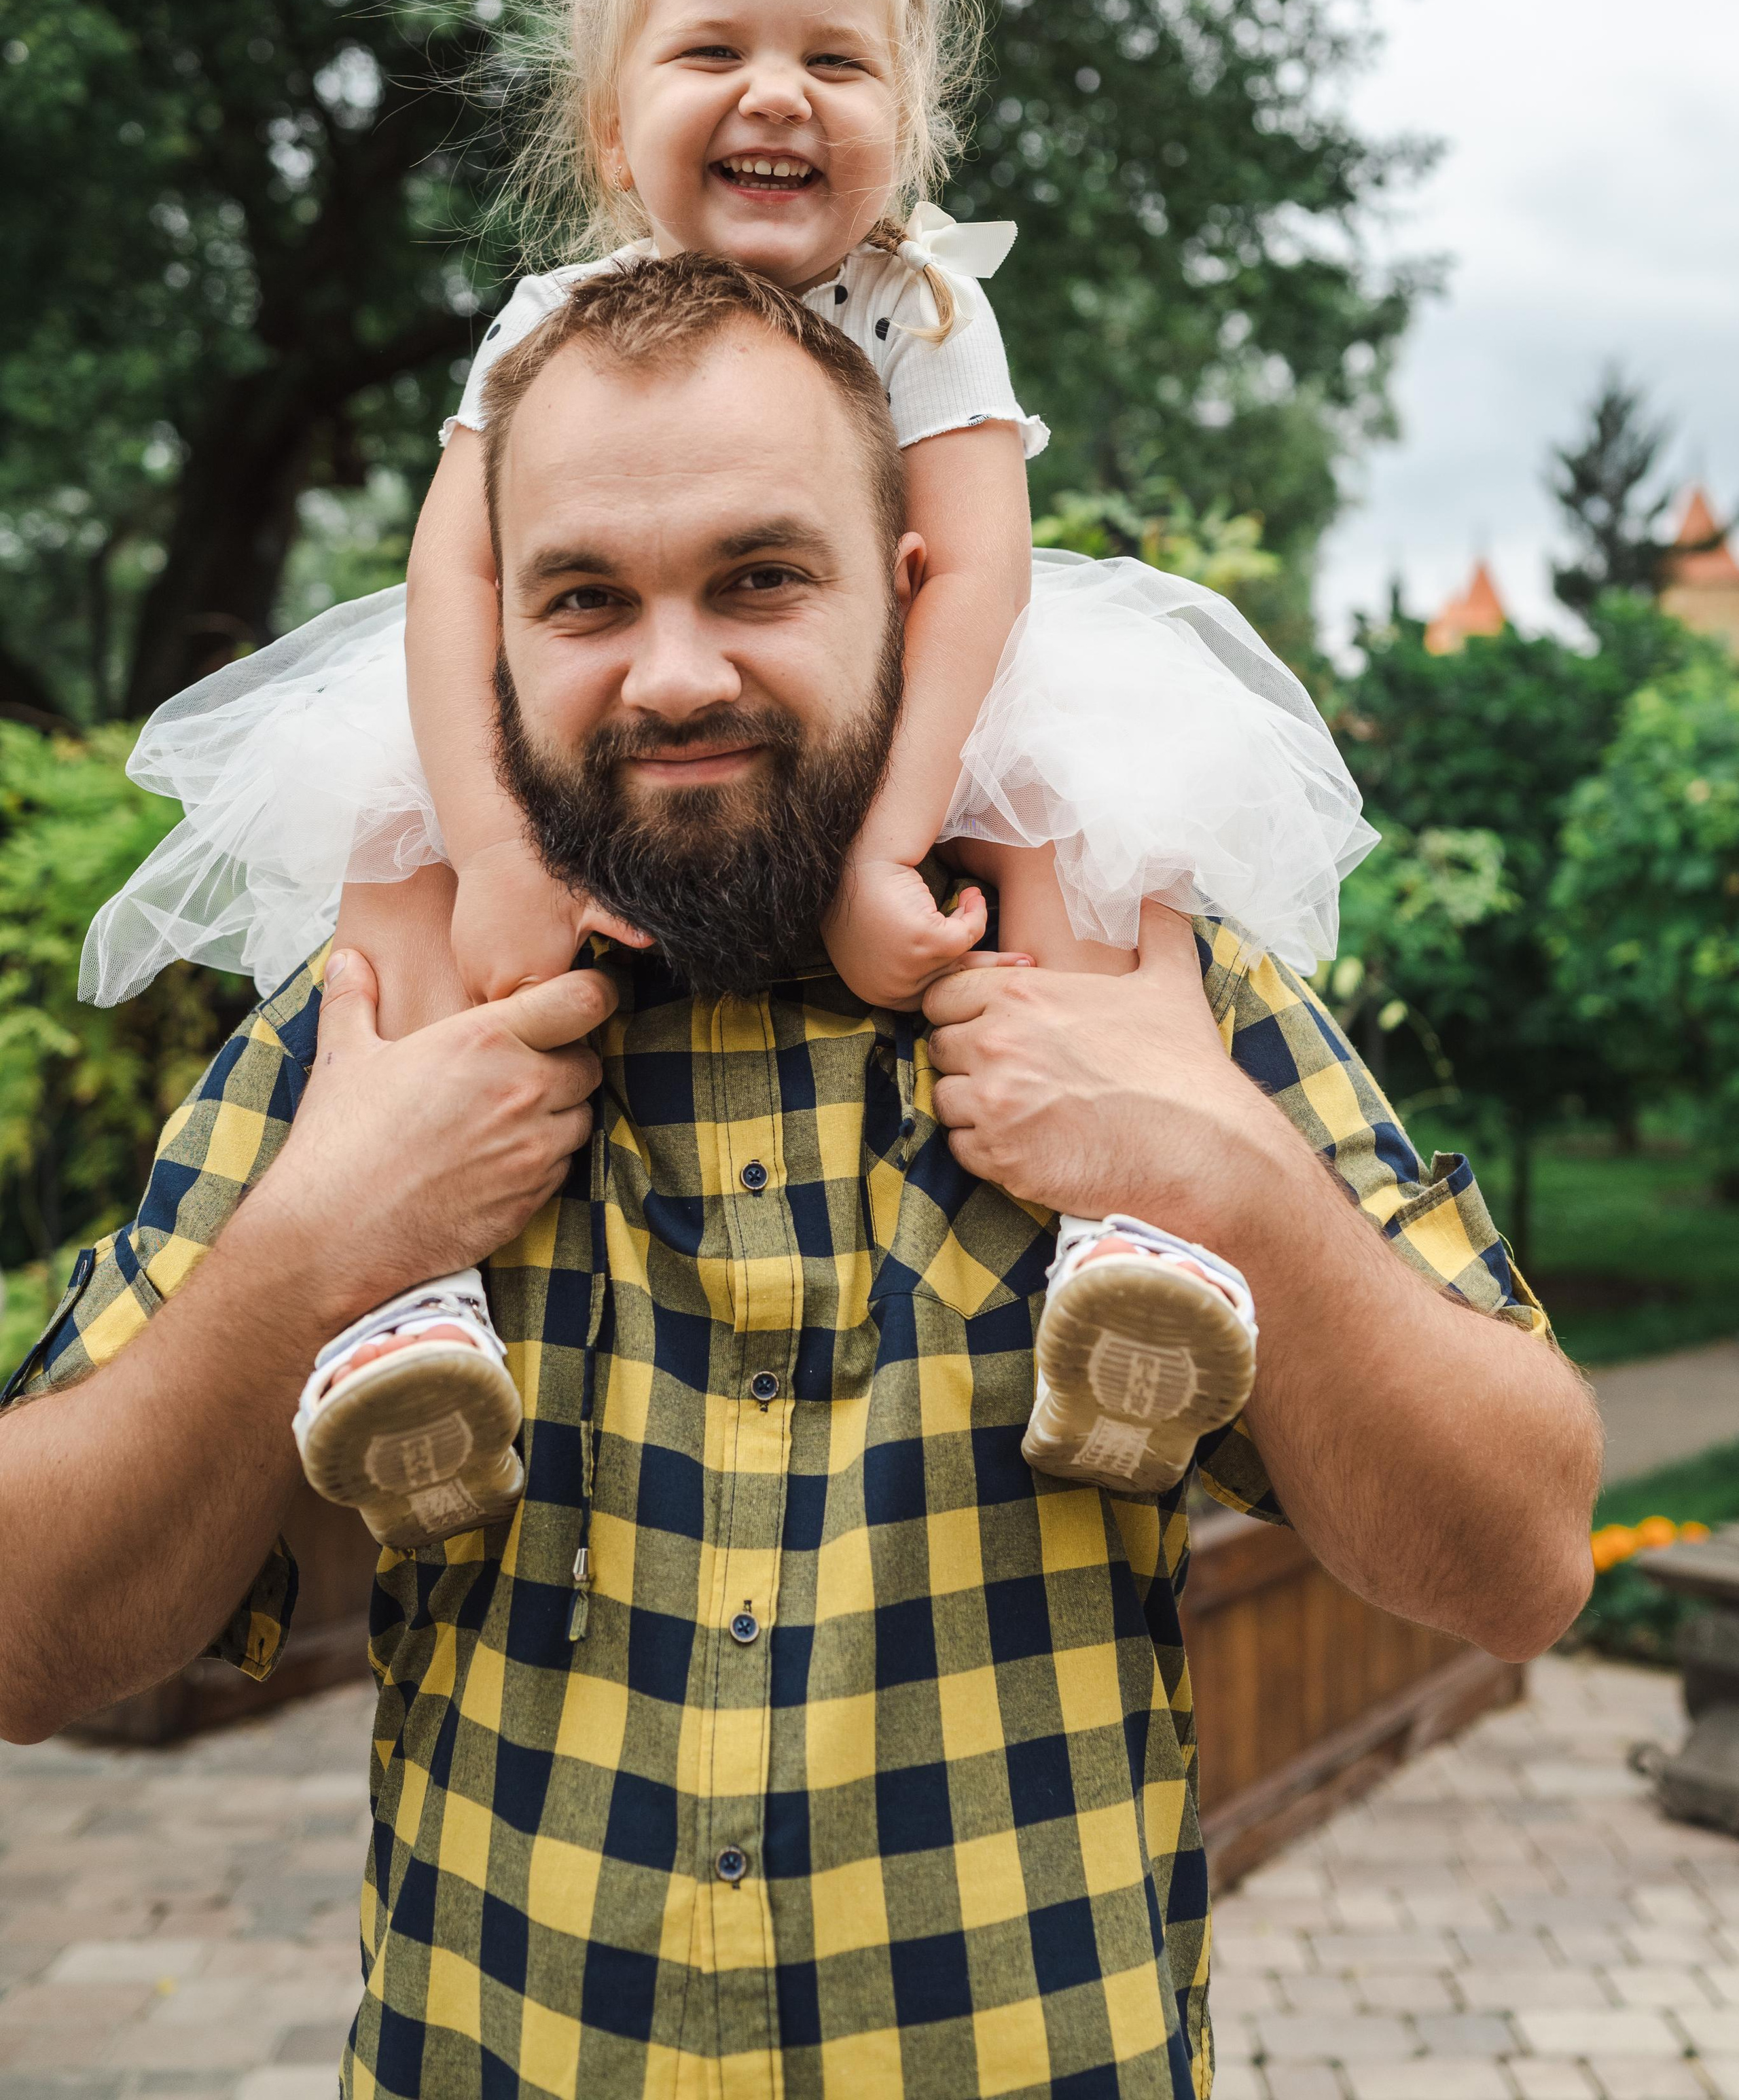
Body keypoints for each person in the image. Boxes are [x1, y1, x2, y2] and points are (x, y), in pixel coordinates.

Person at [1, 256, 1599, 2099]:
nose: (676, 674)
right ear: (490, 629)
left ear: (911, 595)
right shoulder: (376, 1034)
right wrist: (311, 1253)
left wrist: (1216, 1169)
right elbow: (31, 1645)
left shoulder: (1129, 986)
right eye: (586, 598)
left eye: (761, 576)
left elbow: (1522, 1563)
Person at [78, 0, 1372, 1536]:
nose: (778, 94)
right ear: (615, 130)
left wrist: (881, 853)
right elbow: (454, 575)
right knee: (391, 865)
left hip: (918, 692)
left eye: (837, 62)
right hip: (593, 725)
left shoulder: (920, 305)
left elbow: (975, 577)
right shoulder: (549, 324)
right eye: (714, 51)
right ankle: (402, 1310)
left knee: (1075, 832)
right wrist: (500, 853)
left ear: (906, 127)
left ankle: (1127, 1249)